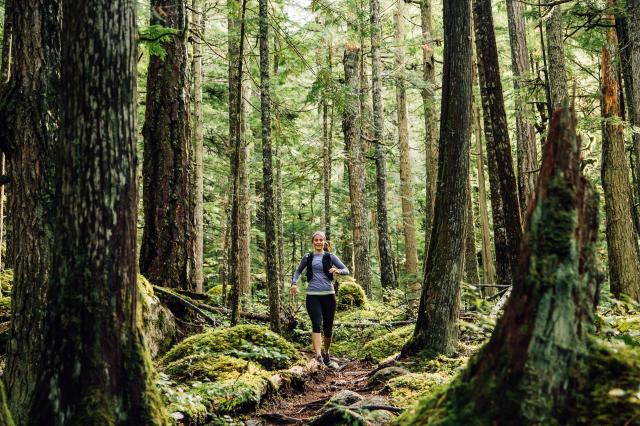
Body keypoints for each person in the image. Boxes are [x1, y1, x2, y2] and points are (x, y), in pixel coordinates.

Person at [290, 231, 349, 366]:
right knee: (316, 324)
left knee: (328, 327)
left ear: (324, 242)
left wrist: (337, 271)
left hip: (329, 295)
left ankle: (326, 352)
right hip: (312, 296)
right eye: (316, 240)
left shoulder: (330, 256)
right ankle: (318, 356)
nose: (318, 242)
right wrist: (294, 283)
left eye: (320, 240)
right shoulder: (308, 257)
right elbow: (298, 271)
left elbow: (346, 270)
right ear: (313, 242)